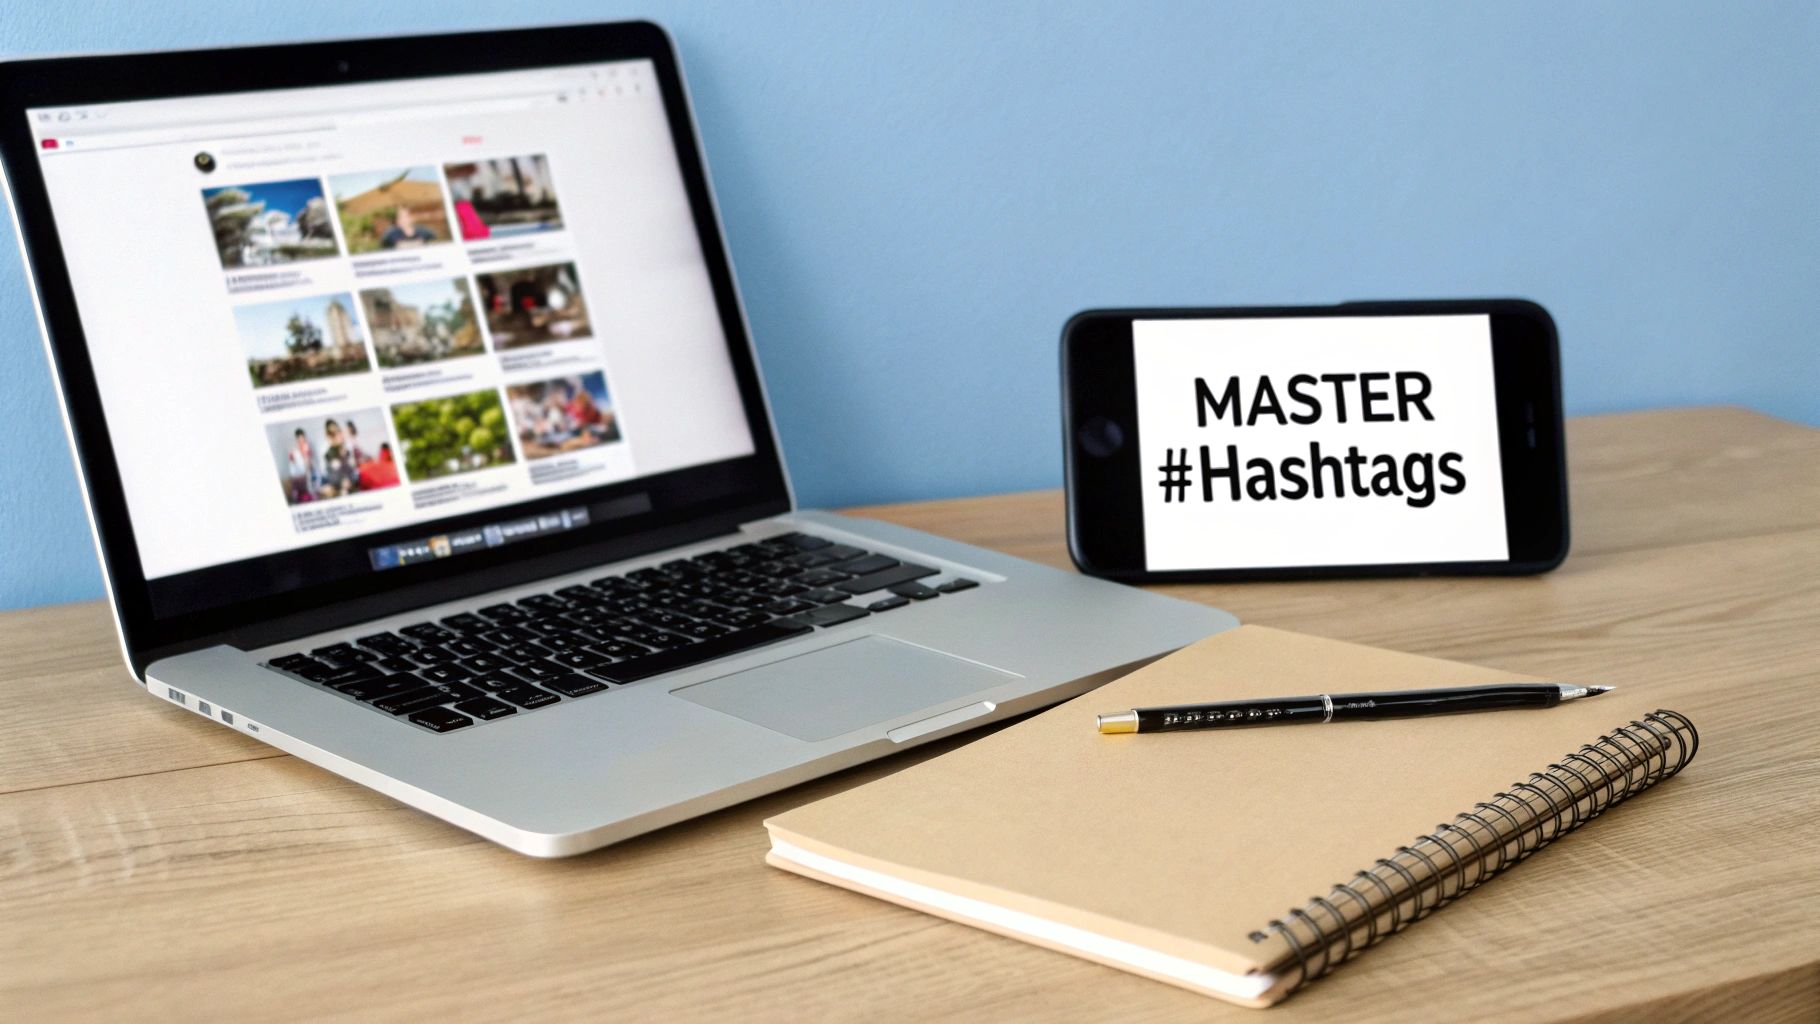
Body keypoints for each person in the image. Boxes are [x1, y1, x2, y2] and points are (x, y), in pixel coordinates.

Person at [319, 419, 359, 497]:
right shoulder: (327, 453)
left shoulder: (347, 449)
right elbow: (328, 475)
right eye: (332, 434)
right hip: (334, 485)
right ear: (327, 436)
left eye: (338, 431)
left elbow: (353, 470)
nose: (336, 435)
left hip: (348, 484)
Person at [285, 428, 318, 503]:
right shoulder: (293, 453)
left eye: (303, 440)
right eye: (300, 441)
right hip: (300, 484)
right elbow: (294, 472)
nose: (302, 443)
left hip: (310, 482)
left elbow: (312, 469)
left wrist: (307, 458)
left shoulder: (308, 451)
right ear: (297, 440)